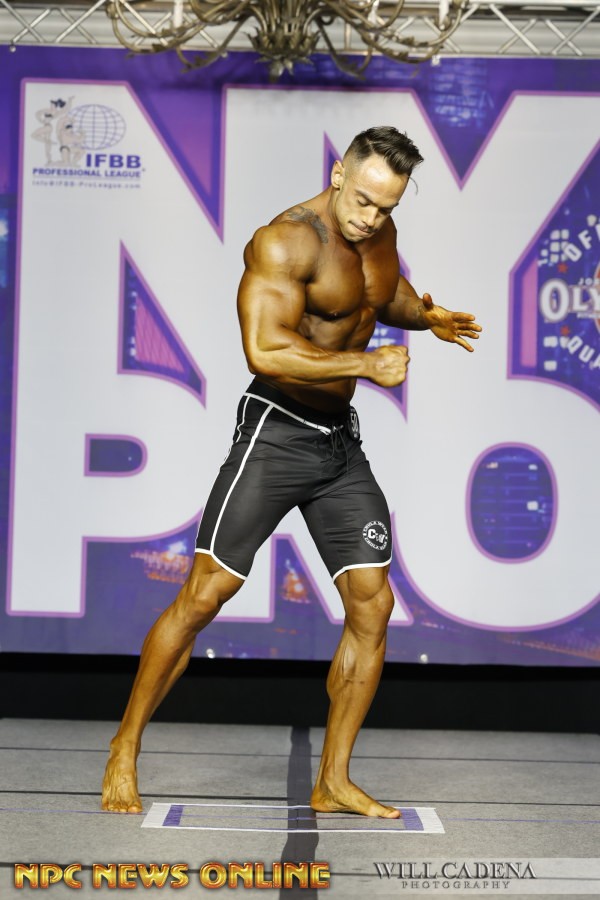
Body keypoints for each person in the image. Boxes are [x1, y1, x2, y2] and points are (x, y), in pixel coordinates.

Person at [102, 126, 481, 818]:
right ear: (338, 173)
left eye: (387, 208)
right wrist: (365, 364)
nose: (371, 218)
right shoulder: (285, 242)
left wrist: (426, 316)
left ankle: (332, 779)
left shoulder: (379, 232)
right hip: (275, 434)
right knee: (205, 595)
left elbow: (379, 295)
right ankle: (125, 745)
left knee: (373, 603)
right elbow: (264, 349)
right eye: (363, 201)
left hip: (338, 445)